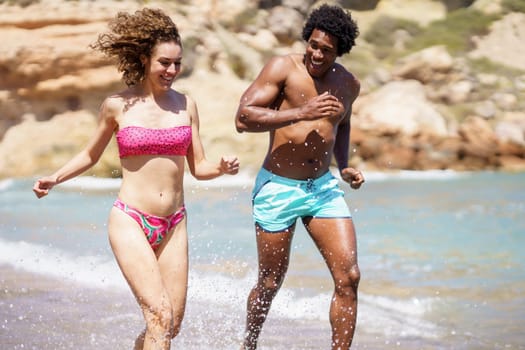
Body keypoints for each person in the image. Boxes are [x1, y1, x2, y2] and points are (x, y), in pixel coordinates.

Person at [33, 8, 239, 350]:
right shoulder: (117, 105)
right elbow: (90, 155)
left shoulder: (187, 105)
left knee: (170, 324)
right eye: (164, 62)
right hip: (130, 220)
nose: (171, 70)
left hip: (174, 222)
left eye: (177, 63)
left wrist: (221, 167)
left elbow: (199, 167)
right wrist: (55, 178)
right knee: (159, 314)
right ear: (145, 59)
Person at [235, 4, 364, 350]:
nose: (317, 54)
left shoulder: (348, 84)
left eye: (327, 50)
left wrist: (344, 163)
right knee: (270, 281)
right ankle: (249, 344)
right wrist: (301, 112)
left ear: (340, 52)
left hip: (322, 188)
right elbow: (243, 118)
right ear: (308, 38)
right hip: (277, 187)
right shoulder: (282, 68)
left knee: (349, 278)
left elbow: (343, 122)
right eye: (314, 44)